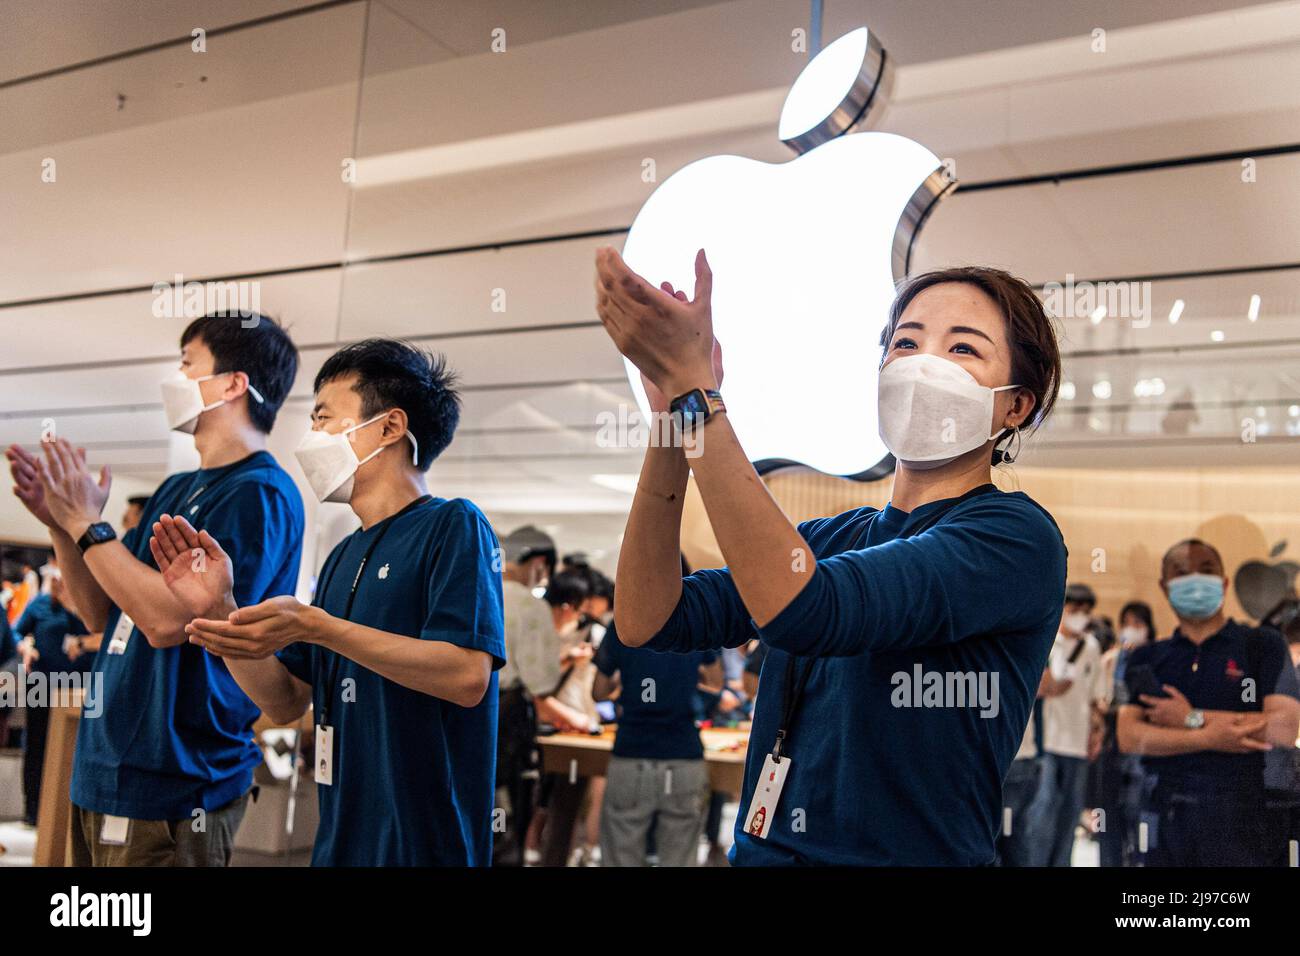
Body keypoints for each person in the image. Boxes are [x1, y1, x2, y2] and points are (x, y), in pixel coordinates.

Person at [596, 251, 1067, 865]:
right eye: (905, 343)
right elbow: (650, 618)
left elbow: (810, 611)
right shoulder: (829, 539)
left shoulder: (1013, 538)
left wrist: (700, 396)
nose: (924, 364)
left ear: (1015, 406)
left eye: (963, 350)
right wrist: (671, 423)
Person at [168, 338, 504, 866]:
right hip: (340, 839)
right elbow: (284, 702)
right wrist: (219, 609)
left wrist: (318, 627)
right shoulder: (344, 554)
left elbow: (466, 676)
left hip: (425, 846)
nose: (313, 437)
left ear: (390, 427)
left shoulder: (453, 525)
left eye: (325, 418)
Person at [6, 311, 303, 866]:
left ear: (233, 383)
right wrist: (60, 525)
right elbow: (103, 612)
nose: (176, 377)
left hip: (175, 780)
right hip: (105, 766)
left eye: (189, 363)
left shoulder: (259, 493)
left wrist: (87, 526)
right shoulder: (177, 486)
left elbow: (169, 622)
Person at [1118, 538, 1300, 866]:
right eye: (1182, 572)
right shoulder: (1147, 658)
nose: (1195, 580)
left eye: (1206, 570)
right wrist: (1213, 737)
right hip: (1164, 816)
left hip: (1243, 819)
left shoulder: (1262, 645)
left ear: (1224, 582)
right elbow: (1130, 736)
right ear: (1165, 585)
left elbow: (1282, 728)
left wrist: (1191, 718)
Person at [494, 525, 591, 865]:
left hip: (462, 720)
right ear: (538, 563)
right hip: (508, 727)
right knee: (510, 820)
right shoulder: (528, 606)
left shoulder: (476, 590)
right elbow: (541, 682)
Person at [593, 621, 721, 866]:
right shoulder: (696, 621)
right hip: (683, 755)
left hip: (632, 753)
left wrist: (624, 681)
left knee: (621, 856)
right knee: (680, 858)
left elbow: (598, 691)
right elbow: (716, 682)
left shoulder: (623, 622)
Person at [1023, 583, 1106, 866]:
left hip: (1077, 743)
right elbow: (1039, 688)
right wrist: (1053, 686)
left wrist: (1097, 730)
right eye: (1074, 609)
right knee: (1042, 811)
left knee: (1070, 815)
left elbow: (1097, 696)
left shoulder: (1091, 647)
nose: (1079, 615)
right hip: (1045, 742)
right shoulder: (1047, 640)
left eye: (1086, 611)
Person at [14, 570, 90, 825]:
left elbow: (97, 634)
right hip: (41, 684)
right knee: (36, 745)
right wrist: (26, 646)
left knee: (69, 749)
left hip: (77, 688)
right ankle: (32, 809)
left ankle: (61, 813)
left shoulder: (87, 605)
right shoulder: (40, 604)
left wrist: (73, 604)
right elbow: (16, 632)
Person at [1094, 600, 1155, 866]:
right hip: (1112, 744)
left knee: (1138, 812)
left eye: (1137, 625)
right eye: (1126, 624)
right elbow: (1098, 697)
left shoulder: (1158, 659)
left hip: (1144, 748)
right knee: (1109, 816)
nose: (1131, 630)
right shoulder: (1112, 660)